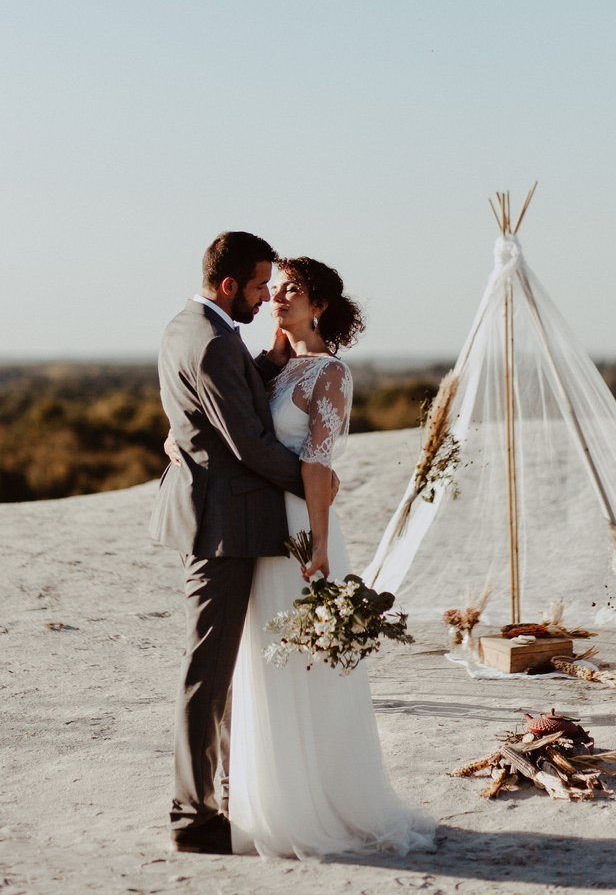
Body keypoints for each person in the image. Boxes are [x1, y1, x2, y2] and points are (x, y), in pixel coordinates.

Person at [223, 256, 435, 858]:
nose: (278, 297)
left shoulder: (329, 373)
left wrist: (319, 546)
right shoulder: (272, 367)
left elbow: (319, 464)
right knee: (266, 660)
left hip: (299, 527)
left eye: (292, 290)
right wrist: (271, 353)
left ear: (319, 305)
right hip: (261, 526)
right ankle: (273, 803)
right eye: (276, 288)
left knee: (302, 664)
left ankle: (319, 807)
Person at [150, 232, 338, 856]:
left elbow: (230, 399)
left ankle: (220, 796)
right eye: (260, 287)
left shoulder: (192, 326)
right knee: (209, 672)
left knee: (223, 670)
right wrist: (315, 488)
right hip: (223, 527)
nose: (265, 298)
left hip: (223, 518)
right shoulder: (210, 342)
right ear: (229, 285)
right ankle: (192, 816)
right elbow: (248, 443)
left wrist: (271, 365)